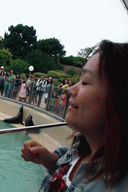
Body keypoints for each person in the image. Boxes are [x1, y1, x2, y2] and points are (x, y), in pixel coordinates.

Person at [21, 40, 128, 191]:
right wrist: (49, 160)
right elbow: (67, 166)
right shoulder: (82, 149)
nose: (71, 90)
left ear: (120, 99)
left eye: (85, 82)